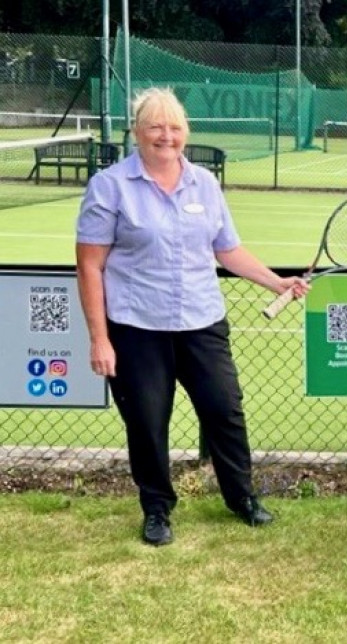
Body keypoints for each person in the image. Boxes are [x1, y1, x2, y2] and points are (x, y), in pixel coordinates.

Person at [75, 87, 309, 547]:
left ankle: (241, 499)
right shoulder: (109, 186)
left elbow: (228, 250)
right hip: (136, 327)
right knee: (147, 422)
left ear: (186, 132)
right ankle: (157, 509)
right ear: (137, 133)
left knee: (225, 412)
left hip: (202, 322)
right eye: (156, 127)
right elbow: (90, 265)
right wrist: (99, 339)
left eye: (175, 127)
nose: (166, 135)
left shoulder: (204, 182)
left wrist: (276, 282)